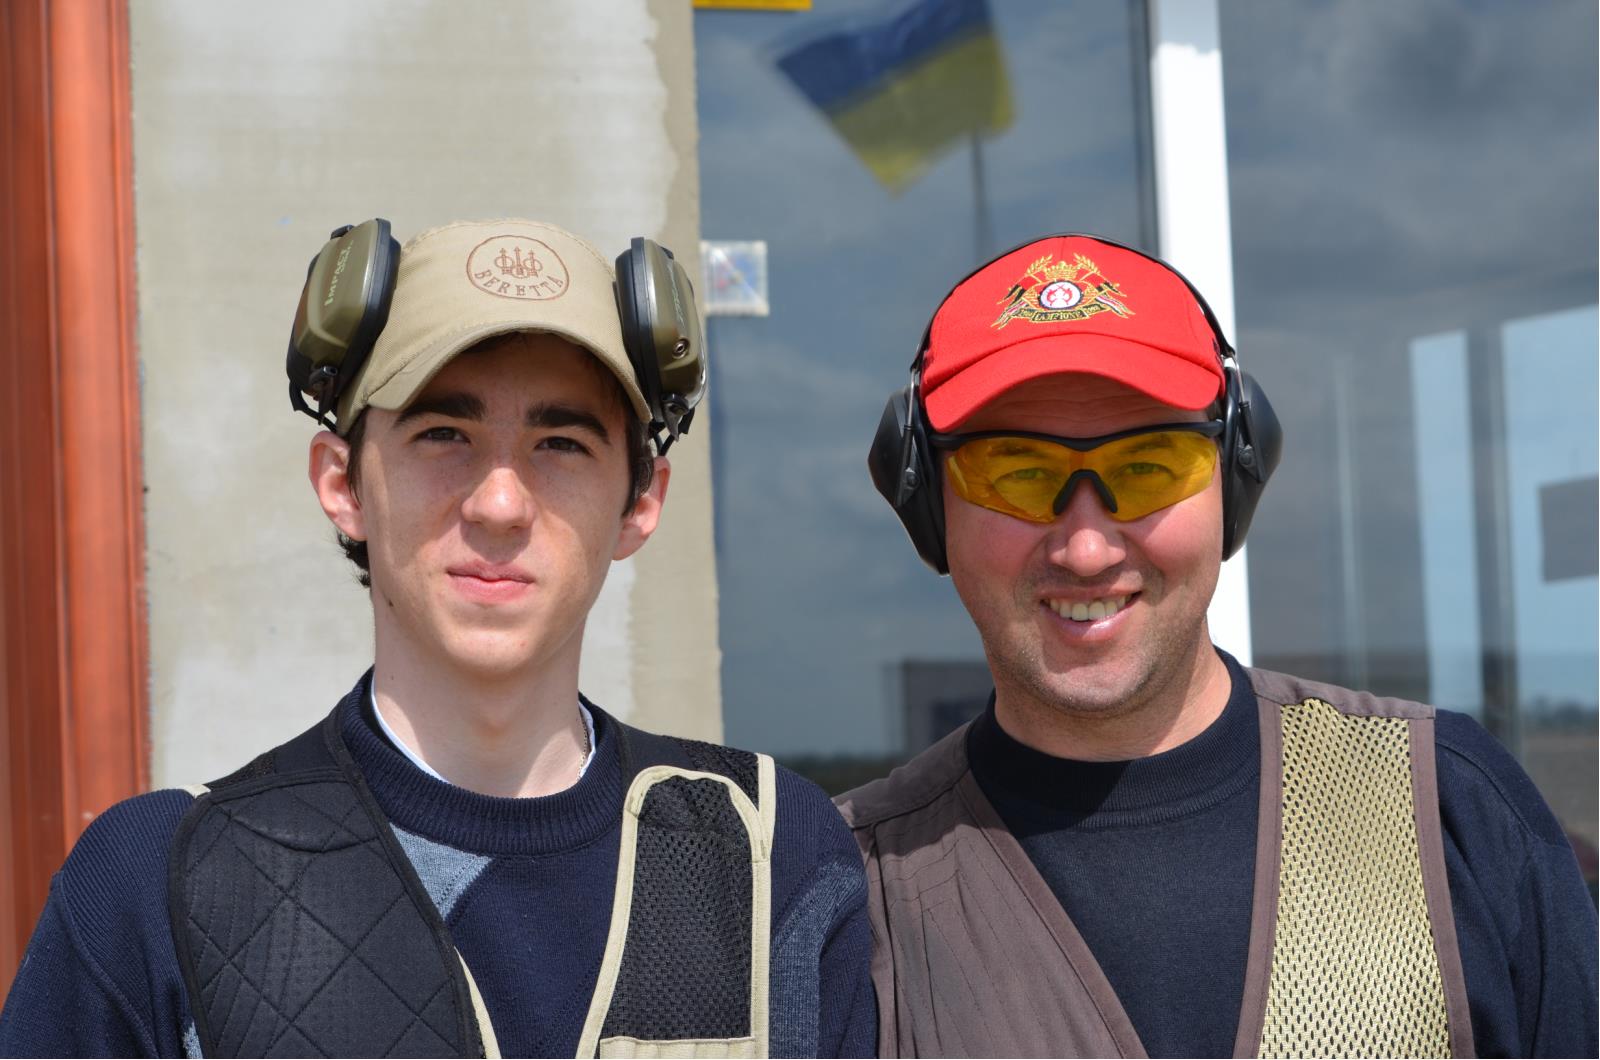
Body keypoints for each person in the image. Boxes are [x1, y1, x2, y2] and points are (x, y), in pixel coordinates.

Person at [1, 218, 874, 1058]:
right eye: (443, 434)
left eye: (561, 443)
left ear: (639, 503)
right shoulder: (154, 885)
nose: (499, 504)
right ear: (342, 483)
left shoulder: (770, 856)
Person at [840, 233, 1597, 1058]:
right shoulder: (851, 895)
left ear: (1237, 477)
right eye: (1015, 472)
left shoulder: (1449, 808)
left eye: (1150, 467)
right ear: (924, 502)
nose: (1086, 550)